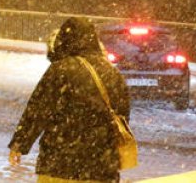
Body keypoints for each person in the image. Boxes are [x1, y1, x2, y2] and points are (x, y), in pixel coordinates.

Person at [9, 16, 130, 182]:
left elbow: (39, 109)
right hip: (102, 165)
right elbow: (122, 115)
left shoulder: (61, 69)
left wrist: (20, 144)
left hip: (61, 162)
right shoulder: (111, 72)